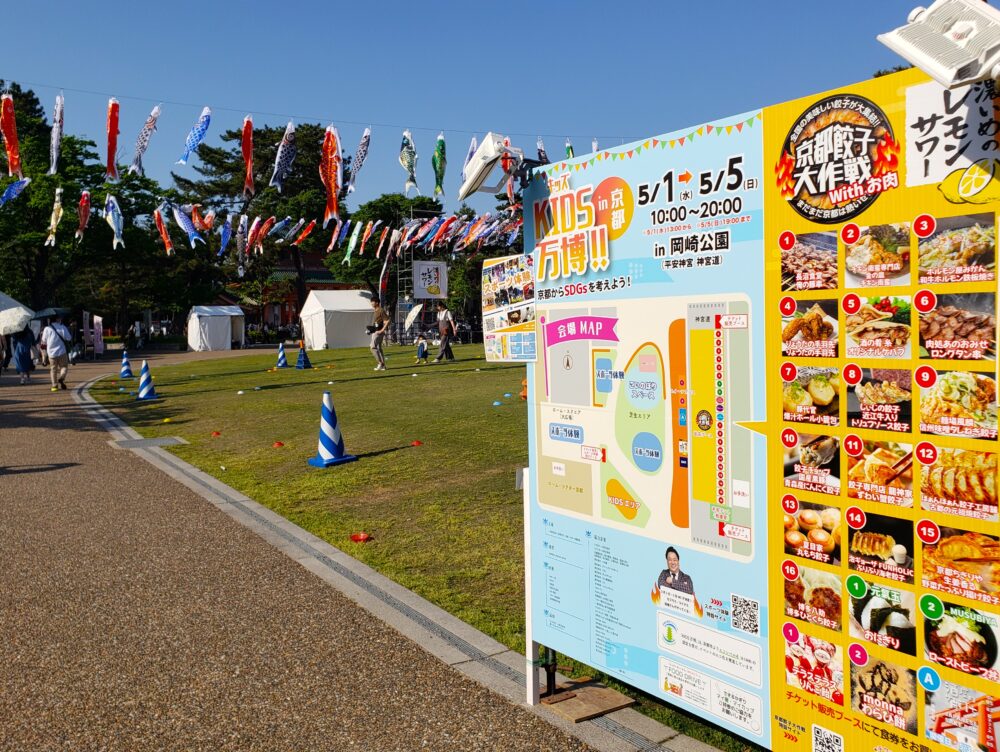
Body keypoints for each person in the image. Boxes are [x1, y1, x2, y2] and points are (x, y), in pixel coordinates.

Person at [41, 315, 72, 392]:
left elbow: (43, 341)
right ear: (58, 319)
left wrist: (43, 357)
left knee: (53, 369)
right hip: (62, 351)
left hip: (51, 353)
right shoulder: (62, 327)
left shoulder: (47, 328)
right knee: (64, 366)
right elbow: (69, 338)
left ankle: (54, 386)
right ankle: (62, 378)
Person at [369, 297, 390, 371]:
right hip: (375, 331)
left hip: (379, 332)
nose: (371, 303)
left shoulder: (381, 310)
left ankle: (380, 363)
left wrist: (382, 330)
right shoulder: (375, 311)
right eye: (371, 302)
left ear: (377, 303)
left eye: (372, 302)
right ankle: (383, 366)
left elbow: (387, 321)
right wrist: (371, 330)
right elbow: (377, 323)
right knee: (378, 348)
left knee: (372, 347)